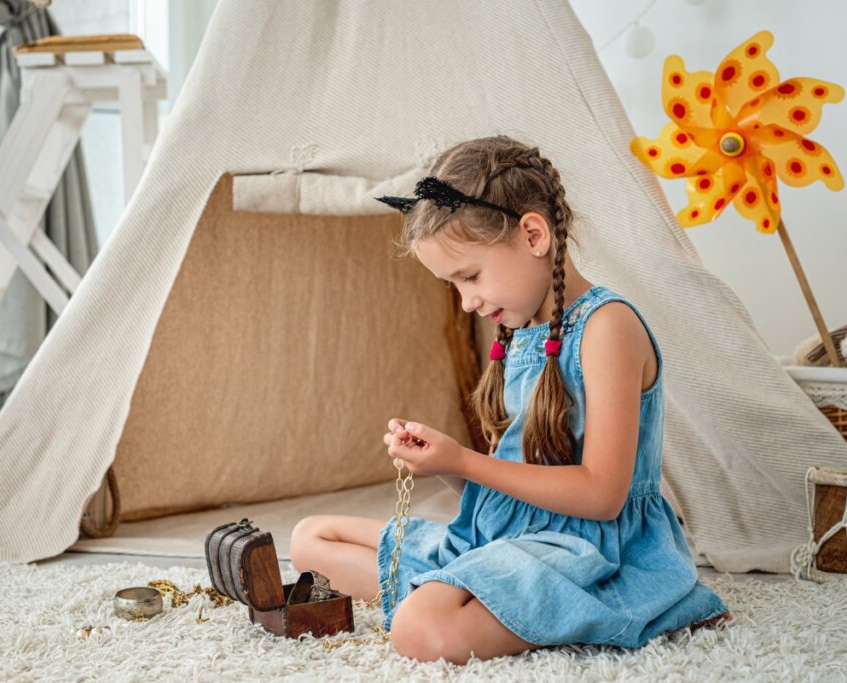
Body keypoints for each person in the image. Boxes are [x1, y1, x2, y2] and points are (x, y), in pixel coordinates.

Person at [289, 135, 732, 665]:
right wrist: (446, 464)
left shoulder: (607, 328)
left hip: (591, 551)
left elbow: (602, 496)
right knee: (310, 539)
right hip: (510, 535)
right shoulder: (520, 331)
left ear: (533, 234)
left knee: (422, 628)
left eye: (470, 276)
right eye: (454, 285)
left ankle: (634, 602)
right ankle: (474, 590)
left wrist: (466, 461)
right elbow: (508, 485)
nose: (468, 301)